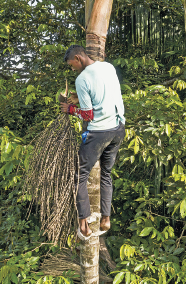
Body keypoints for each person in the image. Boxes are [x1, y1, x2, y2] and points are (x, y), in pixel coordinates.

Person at [60, 45, 125, 238]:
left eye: (72, 65)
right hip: (118, 128)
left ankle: (84, 226)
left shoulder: (82, 79)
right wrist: (78, 100)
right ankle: (106, 219)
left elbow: (88, 116)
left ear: (78, 58)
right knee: (106, 173)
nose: (73, 69)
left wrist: (70, 110)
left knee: (80, 176)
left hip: (99, 133)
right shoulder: (108, 67)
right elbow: (104, 96)